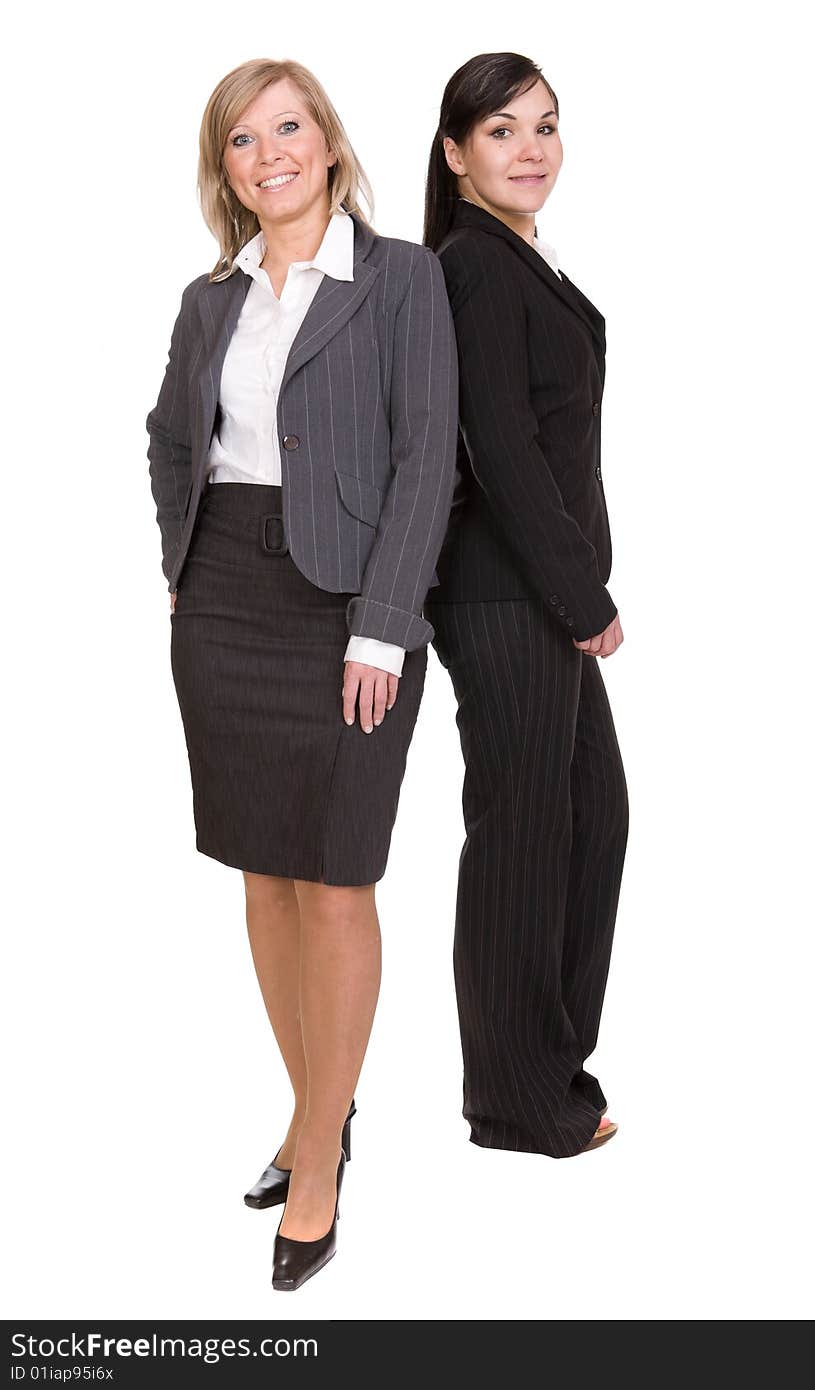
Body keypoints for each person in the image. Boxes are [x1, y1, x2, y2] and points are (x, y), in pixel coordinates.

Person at [145, 57, 457, 1288]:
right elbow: (174, 437)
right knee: (265, 876)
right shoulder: (207, 297)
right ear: (223, 170)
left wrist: (383, 622)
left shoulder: (401, 280)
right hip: (224, 599)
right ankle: (310, 1109)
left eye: (287, 127)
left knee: (335, 879)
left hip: (349, 606)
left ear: (327, 142)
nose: (267, 154)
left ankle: (320, 1153)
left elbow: (430, 452)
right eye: (239, 141)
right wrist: (183, 555)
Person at [423, 53, 629, 1158]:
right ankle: (510, 1099)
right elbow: (497, 446)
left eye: (545, 126)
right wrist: (580, 592)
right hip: (507, 598)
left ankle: (546, 1064)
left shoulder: (517, 261)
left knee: (590, 816)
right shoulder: (474, 265)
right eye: (502, 131)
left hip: (534, 595)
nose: (532, 148)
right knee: (522, 836)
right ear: (456, 154)